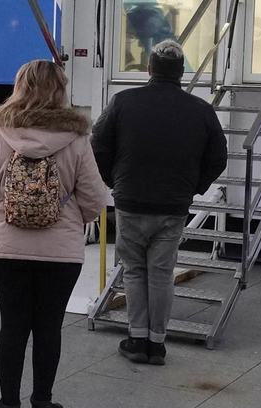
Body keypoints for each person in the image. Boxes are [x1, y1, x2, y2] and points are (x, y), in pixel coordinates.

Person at [0, 61, 109, 408]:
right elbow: (95, 198)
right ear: (59, 89)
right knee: (48, 327)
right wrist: (70, 219)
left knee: (12, 326)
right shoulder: (76, 139)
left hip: (8, 248)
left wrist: (5, 213)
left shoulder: (0, 134)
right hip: (60, 252)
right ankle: (41, 406)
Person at [91, 39, 227, 365]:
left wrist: (114, 181)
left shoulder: (123, 101)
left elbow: (98, 144)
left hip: (131, 201)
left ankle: (137, 339)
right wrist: (195, 187)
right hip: (173, 206)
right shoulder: (201, 110)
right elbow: (218, 157)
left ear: (149, 69)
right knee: (162, 274)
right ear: (181, 73)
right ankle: (157, 343)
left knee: (134, 271)